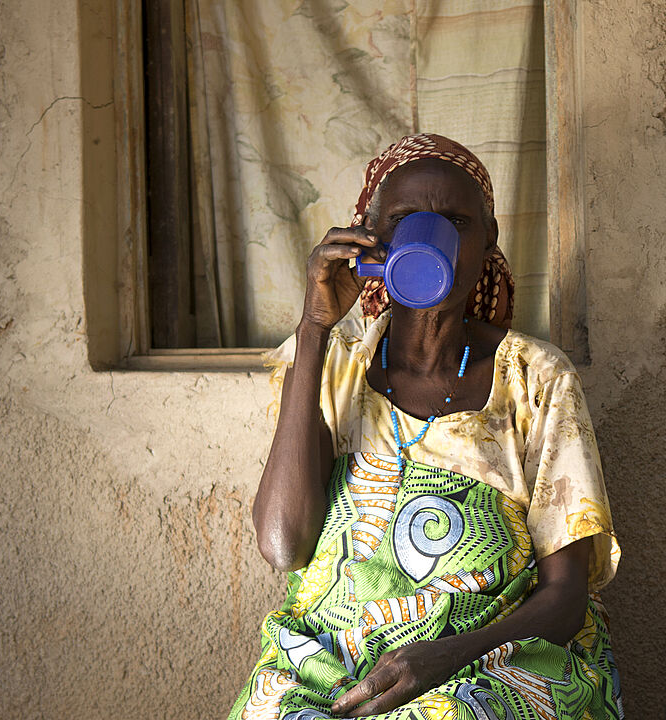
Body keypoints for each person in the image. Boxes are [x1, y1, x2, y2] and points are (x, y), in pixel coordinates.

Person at [229, 134, 622, 720]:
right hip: (327, 659)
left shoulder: (535, 378)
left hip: (488, 663)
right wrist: (314, 327)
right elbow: (284, 545)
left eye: (457, 221)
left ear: (487, 242)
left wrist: (446, 658)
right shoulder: (332, 366)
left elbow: (566, 600)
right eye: (407, 218)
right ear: (373, 236)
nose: (432, 235)